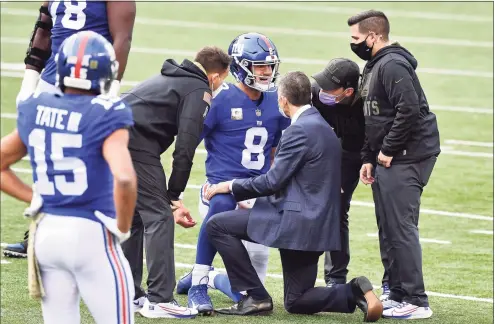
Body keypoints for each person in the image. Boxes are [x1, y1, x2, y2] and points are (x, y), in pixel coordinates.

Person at [203, 71, 383, 322]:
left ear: (284, 100)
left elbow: (272, 181)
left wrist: (231, 186)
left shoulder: (298, 131)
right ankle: (353, 292)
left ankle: (256, 296)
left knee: (217, 225)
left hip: (294, 221)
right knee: (297, 300)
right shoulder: (323, 127)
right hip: (317, 224)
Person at [0, 31, 137, 324]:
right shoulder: (107, 111)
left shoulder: (36, 106)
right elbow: (124, 178)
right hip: (92, 232)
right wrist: (122, 227)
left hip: (47, 235)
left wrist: (36, 197)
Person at [4, 0, 136, 258]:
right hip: (51, 81)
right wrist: (30, 78)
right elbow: (44, 27)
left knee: (92, 160)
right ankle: (40, 229)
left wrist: (110, 90)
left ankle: (102, 230)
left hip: (90, 84)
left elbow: (123, 38)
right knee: (47, 157)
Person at [175, 32, 290, 315]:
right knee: (221, 203)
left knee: (251, 288)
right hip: (220, 188)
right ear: (240, 66)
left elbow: (275, 152)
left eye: (269, 66)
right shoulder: (219, 99)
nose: (266, 72)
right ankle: (200, 282)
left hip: (256, 189)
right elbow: (188, 143)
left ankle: (211, 277)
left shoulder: (278, 99)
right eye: (259, 65)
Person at [120, 46, 231, 319]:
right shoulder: (198, 89)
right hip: (134, 144)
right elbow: (185, 147)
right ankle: (159, 299)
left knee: (135, 217)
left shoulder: (173, 77)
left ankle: (128, 294)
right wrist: (173, 194)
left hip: (115, 137)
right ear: (216, 76)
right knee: (159, 217)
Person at [348, 10, 440, 320]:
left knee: (400, 229)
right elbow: (372, 118)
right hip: (388, 158)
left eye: (356, 38)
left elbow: (410, 110)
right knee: (388, 228)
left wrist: (386, 150)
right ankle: (396, 291)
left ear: (373, 37)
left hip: (408, 156)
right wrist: (367, 158)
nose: (353, 43)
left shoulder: (392, 64)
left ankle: (416, 299)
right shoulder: (373, 66)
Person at [311, 58, 365, 288]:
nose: (323, 90)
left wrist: (343, 177)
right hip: (331, 148)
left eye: (330, 87)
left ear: (349, 91)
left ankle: (336, 278)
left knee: (339, 209)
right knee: (326, 208)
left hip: (360, 151)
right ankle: (327, 277)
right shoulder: (315, 94)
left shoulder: (369, 104)